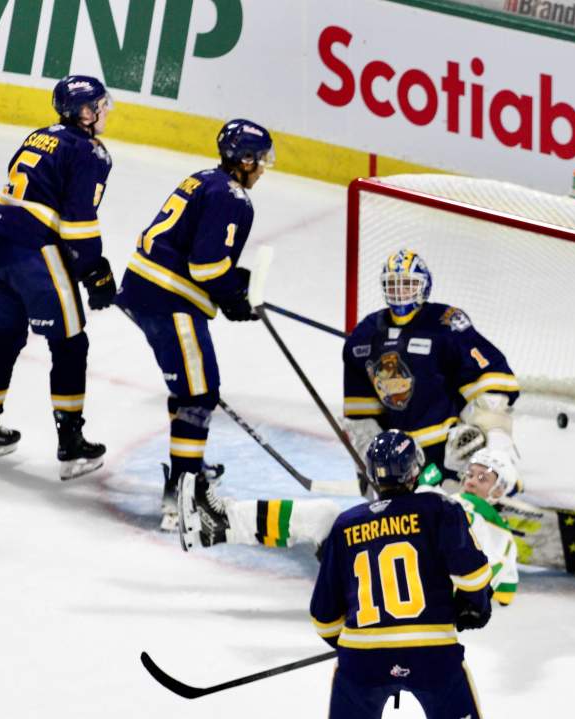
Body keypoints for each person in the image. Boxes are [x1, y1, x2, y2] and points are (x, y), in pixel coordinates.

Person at [115, 119, 275, 529]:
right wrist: (233, 298)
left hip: (142, 289)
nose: (262, 169)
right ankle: (183, 499)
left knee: (188, 387)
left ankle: (189, 469)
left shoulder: (202, 179)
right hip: (170, 300)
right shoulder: (235, 198)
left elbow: (194, 248)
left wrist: (231, 280)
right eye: (260, 161)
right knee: (199, 395)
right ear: (244, 160)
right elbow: (205, 267)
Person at [0, 75, 116, 480]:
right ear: (84, 112)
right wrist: (94, 270)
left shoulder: (39, 136)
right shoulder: (90, 151)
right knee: (70, 343)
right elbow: (79, 221)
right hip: (31, 253)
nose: (105, 111)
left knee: (6, 336)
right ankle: (71, 445)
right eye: (99, 104)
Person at [177, 446, 522, 605]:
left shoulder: (454, 508)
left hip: (386, 583)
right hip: (389, 579)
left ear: (500, 490)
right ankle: (219, 524)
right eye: (473, 472)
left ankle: (220, 523)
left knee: (325, 516)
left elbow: (498, 590)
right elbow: (503, 593)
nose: (473, 479)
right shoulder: (489, 530)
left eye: (484, 476)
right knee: (326, 518)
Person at [310, 430, 492, 718]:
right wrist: (475, 606)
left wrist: (361, 648)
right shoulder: (439, 508)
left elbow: (323, 618)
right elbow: (473, 576)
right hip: (431, 651)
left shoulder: (345, 525)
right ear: (414, 469)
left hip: (362, 658)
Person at [342, 249, 521, 491]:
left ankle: (500, 483)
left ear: (423, 286)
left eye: (408, 284)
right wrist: (373, 460)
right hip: (400, 454)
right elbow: (361, 419)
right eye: (394, 284)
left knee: (489, 418)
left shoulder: (445, 322)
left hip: (448, 447)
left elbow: (490, 384)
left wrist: (495, 441)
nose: (400, 291)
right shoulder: (364, 336)